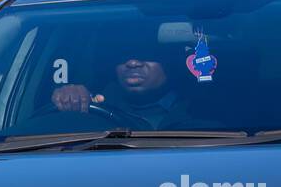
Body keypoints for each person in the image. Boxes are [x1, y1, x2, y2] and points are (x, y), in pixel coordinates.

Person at [51, 37, 190, 129]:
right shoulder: (93, 106)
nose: (132, 63)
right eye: (122, 56)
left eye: (147, 53)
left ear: (171, 62)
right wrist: (69, 99)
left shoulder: (198, 108)